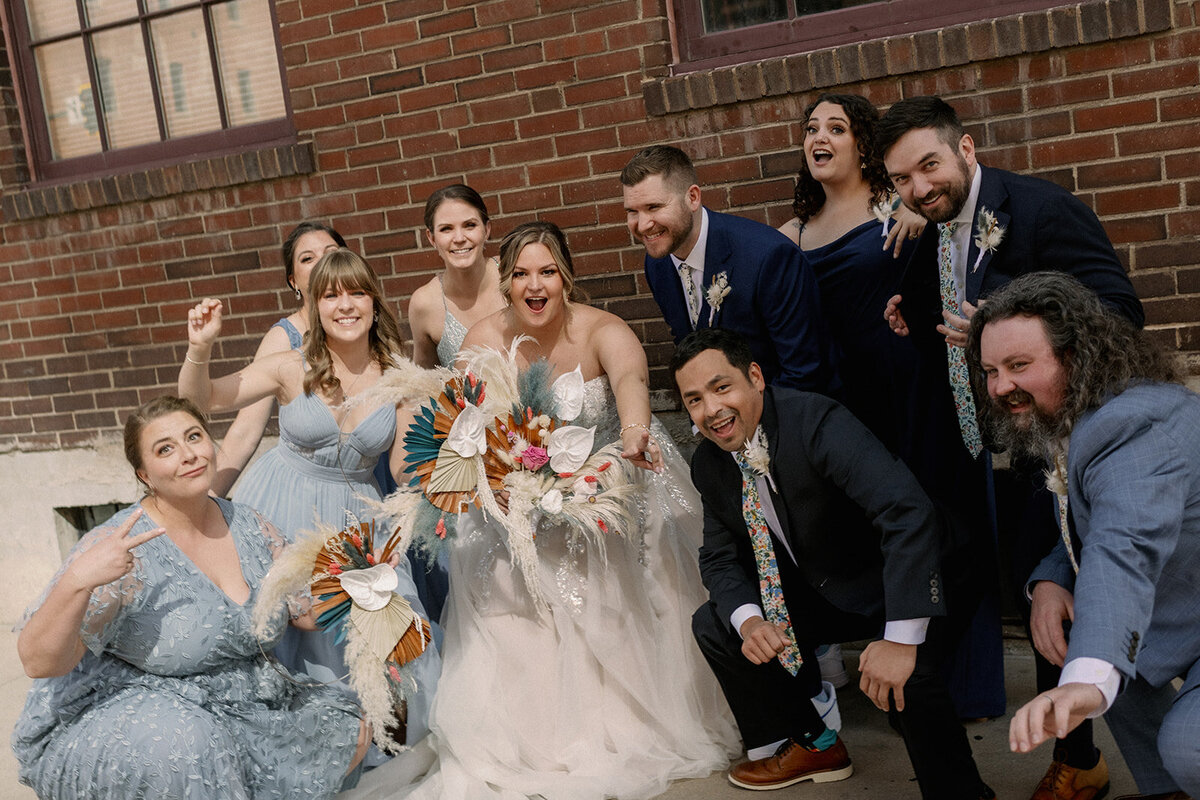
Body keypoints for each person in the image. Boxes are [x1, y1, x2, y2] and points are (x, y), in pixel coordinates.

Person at [386, 221, 739, 799]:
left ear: (565, 274)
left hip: (608, 478)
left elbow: (629, 380)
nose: (535, 285)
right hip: (516, 498)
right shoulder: (482, 338)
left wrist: (632, 434)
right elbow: (464, 426)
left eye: (547, 271)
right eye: (521, 273)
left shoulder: (604, 328)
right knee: (501, 568)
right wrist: (493, 480)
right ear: (506, 282)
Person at [877, 94, 1146, 794]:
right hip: (965, 462)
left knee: (1051, 605)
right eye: (902, 179)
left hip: (1046, 454)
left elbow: (1121, 309)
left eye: (929, 166)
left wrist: (1013, 326)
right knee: (948, 615)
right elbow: (931, 310)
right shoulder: (931, 230)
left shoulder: (1042, 210)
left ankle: (1077, 761)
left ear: (966, 149)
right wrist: (905, 314)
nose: (919, 188)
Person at [675, 326, 994, 799]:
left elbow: (906, 514)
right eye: (694, 399)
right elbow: (718, 558)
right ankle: (815, 742)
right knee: (716, 623)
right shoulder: (709, 463)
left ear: (756, 377)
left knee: (911, 678)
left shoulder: (817, 421)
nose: (711, 410)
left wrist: (900, 641)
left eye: (722, 387)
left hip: (920, 571)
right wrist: (750, 622)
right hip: (829, 584)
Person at [12, 395, 367, 799]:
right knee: (192, 744)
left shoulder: (248, 523)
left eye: (194, 437)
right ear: (144, 474)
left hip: (246, 702)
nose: (188, 455)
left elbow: (303, 611)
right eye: (165, 449)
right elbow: (38, 661)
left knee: (348, 728)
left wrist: (357, 579)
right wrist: (77, 581)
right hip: (147, 704)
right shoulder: (122, 547)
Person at [178, 249, 441, 753]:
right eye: (330, 294)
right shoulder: (288, 367)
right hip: (280, 505)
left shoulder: (399, 378)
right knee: (284, 631)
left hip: (356, 517)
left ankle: (370, 745)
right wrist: (199, 348)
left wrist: (452, 454)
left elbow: (404, 467)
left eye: (356, 292)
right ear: (316, 306)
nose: (345, 305)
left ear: (373, 302)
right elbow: (201, 400)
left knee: (382, 629)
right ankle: (290, 748)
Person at [966, 272, 1199, 800]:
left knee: (1189, 745)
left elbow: (1125, 547)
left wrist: (1084, 677)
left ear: (1075, 356)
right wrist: (1051, 579)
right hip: (1183, 604)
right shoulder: (1080, 413)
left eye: (1019, 365)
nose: (1001, 386)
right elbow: (1091, 519)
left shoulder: (1132, 428)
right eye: (990, 371)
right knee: (1093, 635)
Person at [620, 144, 838, 392]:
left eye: (654, 207)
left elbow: (805, 371)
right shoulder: (657, 262)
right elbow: (688, 348)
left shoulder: (769, 257)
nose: (643, 225)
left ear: (692, 197)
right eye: (632, 212)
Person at [212, 221, 345, 497]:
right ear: (293, 281)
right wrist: (204, 504)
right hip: (315, 491)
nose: (321, 262)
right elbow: (246, 430)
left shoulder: (368, 322)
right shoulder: (284, 338)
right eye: (307, 258)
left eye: (330, 252)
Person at [407, 184, 507, 369]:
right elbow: (425, 383)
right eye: (446, 229)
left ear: (487, 229)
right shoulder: (424, 304)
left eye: (470, 225)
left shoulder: (514, 272)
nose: (459, 238)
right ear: (431, 238)